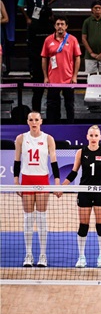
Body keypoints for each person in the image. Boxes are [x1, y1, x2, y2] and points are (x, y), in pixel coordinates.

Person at [62, 125, 101, 269]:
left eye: (96, 135)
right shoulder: (81, 152)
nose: (93, 138)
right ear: (87, 137)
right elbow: (74, 172)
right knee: (83, 225)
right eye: (91, 135)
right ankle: (81, 257)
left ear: (100, 137)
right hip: (84, 191)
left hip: (100, 191)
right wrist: (62, 186)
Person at [13, 112, 60, 267]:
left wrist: (57, 182)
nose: (34, 122)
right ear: (27, 122)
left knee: (41, 217)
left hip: (42, 179)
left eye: (36, 120)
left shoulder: (48, 139)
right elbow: (17, 160)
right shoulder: (21, 138)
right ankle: (28, 255)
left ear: (41, 121)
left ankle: (42, 255)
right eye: (31, 120)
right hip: (26, 179)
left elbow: (54, 161)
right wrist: (16, 180)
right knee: (28, 218)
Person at [41, 15, 81, 123]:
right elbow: (44, 58)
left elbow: (77, 58)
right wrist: (45, 77)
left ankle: (70, 127)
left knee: (69, 105)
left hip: (68, 79)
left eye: (62, 24)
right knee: (52, 105)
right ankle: (52, 127)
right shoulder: (48, 40)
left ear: (66, 26)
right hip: (53, 79)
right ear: (54, 26)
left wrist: (75, 76)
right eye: (58, 24)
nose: (60, 26)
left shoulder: (72, 39)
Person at [81, 1, 101, 75]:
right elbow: (83, 38)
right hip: (90, 56)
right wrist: (91, 53)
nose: (97, 9)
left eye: (99, 8)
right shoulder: (87, 21)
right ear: (92, 9)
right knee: (92, 76)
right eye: (95, 8)